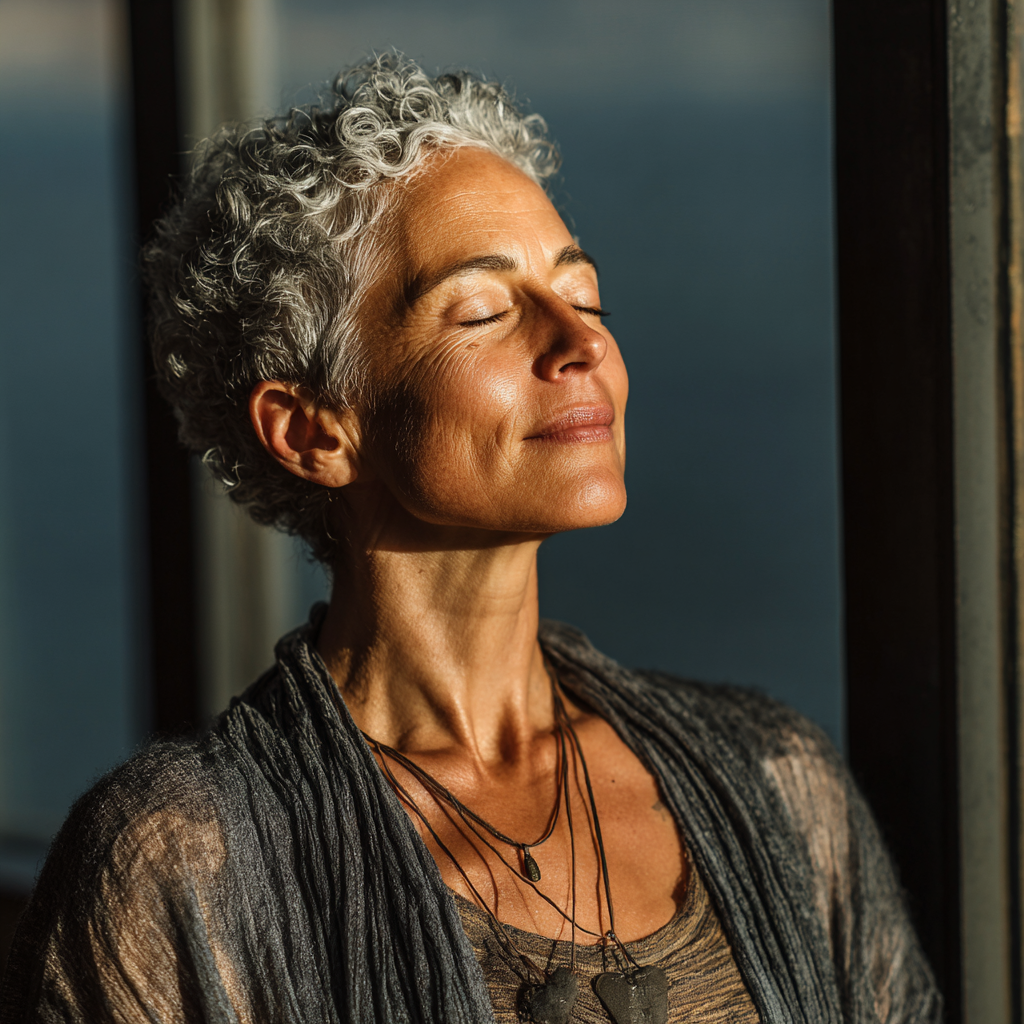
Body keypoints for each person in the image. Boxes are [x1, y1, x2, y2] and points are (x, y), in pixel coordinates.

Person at [0, 55, 939, 1024]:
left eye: (584, 294)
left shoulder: (775, 780)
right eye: (485, 311)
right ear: (315, 428)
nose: (582, 343)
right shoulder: (181, 859)